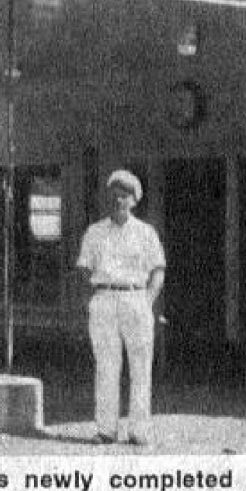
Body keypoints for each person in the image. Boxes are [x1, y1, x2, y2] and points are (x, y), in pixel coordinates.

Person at [76, 169, 166, 446]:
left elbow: (158, 269)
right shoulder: (94, 232)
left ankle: (139, 430)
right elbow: (83, 268)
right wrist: (91, 299)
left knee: (140, 367)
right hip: (104, 298)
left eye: (124, 196)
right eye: (114, 195)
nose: (119, 200)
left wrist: (147, 300)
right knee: (106, 366)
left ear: (134, 200)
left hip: (136, 298)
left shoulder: (146, 233)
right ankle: (106, 429)